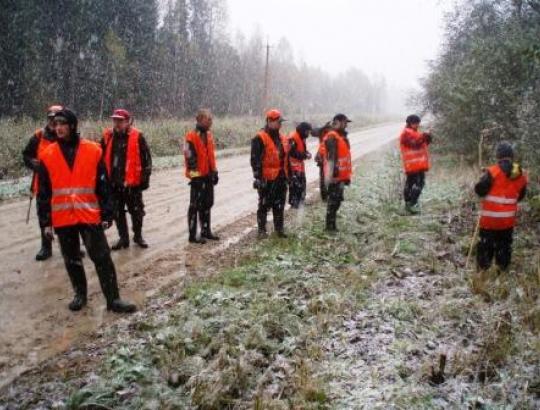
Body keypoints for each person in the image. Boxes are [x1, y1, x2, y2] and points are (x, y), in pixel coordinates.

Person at [37, 109, 136, 313]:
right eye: (55, 124)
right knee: (72, 259)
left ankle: (113, 299)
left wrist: (108, 213)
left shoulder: (93, 150)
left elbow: (103, 185)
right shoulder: (47, 155)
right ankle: (80, 295)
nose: (58, 128)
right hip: (63, 218)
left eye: (62, 124)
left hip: (88, 214)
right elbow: (43, 193)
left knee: (102, 258)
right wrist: (45, 222)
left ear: (72, 126)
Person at [474, 141, 528, 276]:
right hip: (507, 221)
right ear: (511, 156)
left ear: (498, 156)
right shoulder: (521, 175)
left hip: (489, 220)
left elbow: (480, 190)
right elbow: (520, 196)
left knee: (486, 246)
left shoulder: (493, 171)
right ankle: (502, 270)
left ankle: (483, 271)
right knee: (504, 246)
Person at [101, 109, 152, 250]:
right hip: (114, 184)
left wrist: (144, 180)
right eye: (115, 120)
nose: (117, 123)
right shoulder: (108, 136)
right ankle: (123, 239)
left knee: (137, 212)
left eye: (120, 121)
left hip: (132, 184)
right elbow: (99, 157)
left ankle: (138, 236)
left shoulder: (138, 136)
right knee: (117, 213)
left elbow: (147, 159)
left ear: (128, 121)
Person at [22, 105, 63, 260]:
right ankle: (46, 247)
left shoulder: (67, 135)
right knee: (44, 215)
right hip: (43, 185)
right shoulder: (39, 135)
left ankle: (70, 246)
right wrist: (35, 165)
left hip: (63, 184)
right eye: (51, 118)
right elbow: (26, 155)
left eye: (57, 118)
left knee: (65, 215)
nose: (54, 122)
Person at [251, 109, 289, 238]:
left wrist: (288, 175)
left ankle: (279, 229)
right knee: (264, 205)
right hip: (267, 178)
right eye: (278, 122)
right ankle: (262, 231)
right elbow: (255, 160)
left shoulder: (283, 138)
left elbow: (286, 157)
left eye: (280, 122)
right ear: (269, 121)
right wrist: (258, 177)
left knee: (279, 205)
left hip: (281, 177)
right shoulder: (259, 138)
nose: (280, 125)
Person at [183, 108, 219, 244]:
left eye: (211, 119)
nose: (210, 121)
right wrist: (195, 177)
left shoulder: (208, 135)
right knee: (195, 206)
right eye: (208, 119)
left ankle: (206, 231)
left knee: (208, 204)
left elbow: (211, 156)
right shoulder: (190, 137)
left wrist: (214, 172)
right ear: (199, 120)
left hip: (208, 175)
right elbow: (189, 159)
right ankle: (192, 235)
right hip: (198, 178)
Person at [323, 114, 352, 232]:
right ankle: (329, 226)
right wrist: (333, 174)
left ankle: (332, 225)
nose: (346, 125)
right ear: (337, 122)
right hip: (335, 176)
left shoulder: (341, 136)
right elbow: (331, 157)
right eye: (345, 122)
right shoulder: (332, 136)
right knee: (333, 202)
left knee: (337, 201)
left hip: (340, 176)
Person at [399, 114, 432, 214]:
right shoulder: (406, 133)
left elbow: (422, 143)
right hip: (413, 165)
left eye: (418, 123)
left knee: (416, 184)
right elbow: (415, 143)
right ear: (410, 123)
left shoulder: (414, 132)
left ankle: (411, 204)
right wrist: (425, 135)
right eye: (415, 123)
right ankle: (411, 204)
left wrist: (428, 137)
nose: (417, 125)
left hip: (418, 164)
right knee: (415, 184)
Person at [288, 122, 312, 209]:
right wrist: (304, 155)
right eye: (307, 132)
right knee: (295, 185)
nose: (308, 134)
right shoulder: (293, 137)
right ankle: (294, 203)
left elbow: (302, 149)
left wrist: (307, 153)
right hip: (293, 166)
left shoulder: (302, 137)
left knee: (302, 183)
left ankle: (301, 202)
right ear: (303, 130)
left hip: (299, 165)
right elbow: (292, 152)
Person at [313, 121, 332, 201]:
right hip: (323, 157)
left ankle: (328, 195)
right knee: (324, 177)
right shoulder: (322, 131)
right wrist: (323, 127)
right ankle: (325, 196)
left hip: (330, 157)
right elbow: (313, 132)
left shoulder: (334, 133)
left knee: (329, 177)